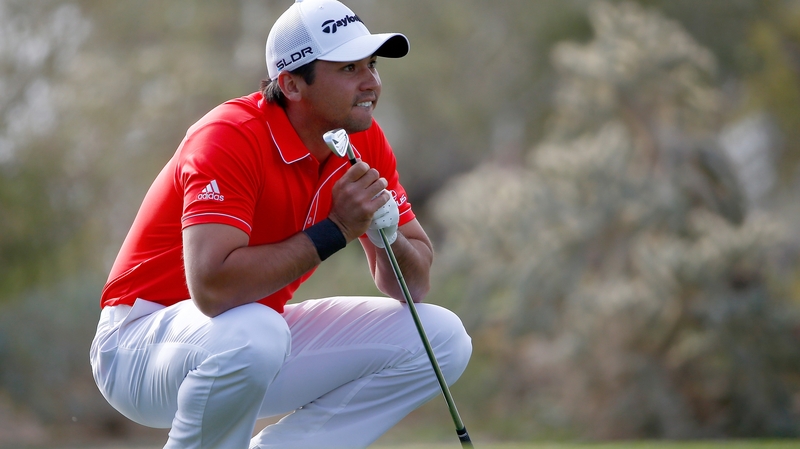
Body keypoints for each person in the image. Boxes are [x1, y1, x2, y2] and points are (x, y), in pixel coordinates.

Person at [89, 0, 472, 448]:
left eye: (372, 64)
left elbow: (413, 284)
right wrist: (337, 228)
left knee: (442, 339)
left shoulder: (361, 140)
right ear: (291, 84)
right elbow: (213, 290)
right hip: (137, 346)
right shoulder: (229, 136)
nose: (371, 82)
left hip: (246, 339)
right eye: (349, 68)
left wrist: (383, 230)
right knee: (257, 333)